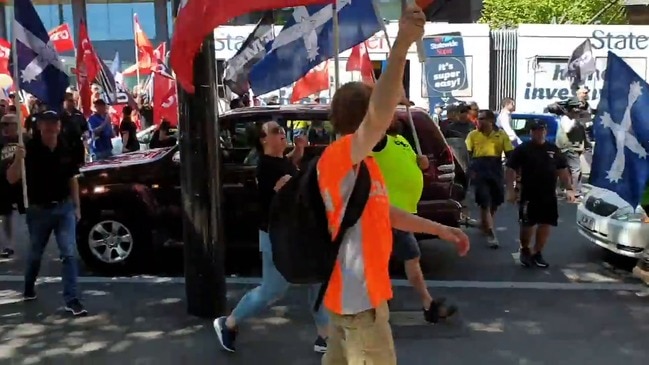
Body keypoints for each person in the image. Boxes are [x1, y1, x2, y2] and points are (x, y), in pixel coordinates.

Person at [318, 6, 468, 364]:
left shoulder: (362, 163)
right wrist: (400, 46)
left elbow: (384, 213)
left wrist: (441, 229)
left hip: (355, 304)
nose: (391, 119)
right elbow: (378, 115)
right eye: (383, 113)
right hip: (359, 306)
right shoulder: (342, 156)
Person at [213, 122, 328, 353]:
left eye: (281, 130)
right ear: (264, 139)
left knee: (318, 281)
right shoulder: (265, 167)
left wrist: (299, 151)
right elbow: (288, 190)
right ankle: (228, 324)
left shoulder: (280, 160)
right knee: (273, 289)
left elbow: (290, 165)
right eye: (276, 131)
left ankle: (324, 337)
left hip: (296, 234)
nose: (282, 133)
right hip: (277, 237)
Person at [373, 116, 458, 323]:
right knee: (387, 260)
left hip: (403, 214)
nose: (391, 117)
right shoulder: (376, 142)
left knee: (407, 257)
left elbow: (415, 164)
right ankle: (385, 303)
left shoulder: (400, 141)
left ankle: (422, 304)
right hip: (385, 214)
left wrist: (423, 164)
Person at [5, 110, 86, 316]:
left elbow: (72, 179)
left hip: (63, 208)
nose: (50, 127)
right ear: (39, 126)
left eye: (54, 123)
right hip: (38, 210)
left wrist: (77, 207)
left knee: (68, 253)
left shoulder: (66, 147)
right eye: (46, 123)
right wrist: (17, 159)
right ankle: (29, 286)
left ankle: (72, 299)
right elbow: (11, 178)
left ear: (59, 126)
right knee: (35, 254)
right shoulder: (28, 148)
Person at [505, 120, 575, 268]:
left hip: (548, 193)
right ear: (531, 132)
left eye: (541, 130)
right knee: (528, 224)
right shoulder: (523, 149)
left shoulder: (553, 149)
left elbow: (562, 169)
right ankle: (525, 249)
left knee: (546, 223)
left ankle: (537, 252)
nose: (539, 132)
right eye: (535, 130)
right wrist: (511, 190)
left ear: (545, 131)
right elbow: (510, 169)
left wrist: (569, 188)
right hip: (529, 192)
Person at [465, 110, 514, 248]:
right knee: (484, 201)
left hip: (495, 169)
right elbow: (466, 155)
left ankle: (485, 223)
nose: (478, 122)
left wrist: (514, 172)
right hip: (479, 170)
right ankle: (491, 233)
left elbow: (510, 154)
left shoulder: (501, 135)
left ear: (490, 121)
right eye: (478, 119)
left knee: (495, 200)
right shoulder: (472, 135)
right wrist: (469, 170)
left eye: (481, 119)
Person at [0, 114, 29, 258]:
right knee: (6, 213)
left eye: (7, 124)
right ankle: (8, 244)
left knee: (28, 211)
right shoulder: (0, 140)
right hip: (3, 182)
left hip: (22, 181)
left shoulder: (25, 139)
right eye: (2, 124)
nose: (4, 127)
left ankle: (34, 241)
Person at [555, 99, 587, 199]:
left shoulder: (571, 118)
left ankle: (563, 190)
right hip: (567, 148)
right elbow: (567, 129)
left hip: (571, 148)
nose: (578, 109)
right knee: (576, 169)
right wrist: (575, 119)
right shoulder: (566, 118)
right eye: (576, 107)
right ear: (570, 109)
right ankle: (576, 191)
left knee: (566, 169)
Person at [60, 92, 89, 167]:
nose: (71, 103)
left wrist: (85, 136)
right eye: (68, 100)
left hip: (78, 145)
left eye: (72, 100)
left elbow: (85, 128)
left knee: (80, 166)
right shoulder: (60, 115)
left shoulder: (78, 114)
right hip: (65, 147)